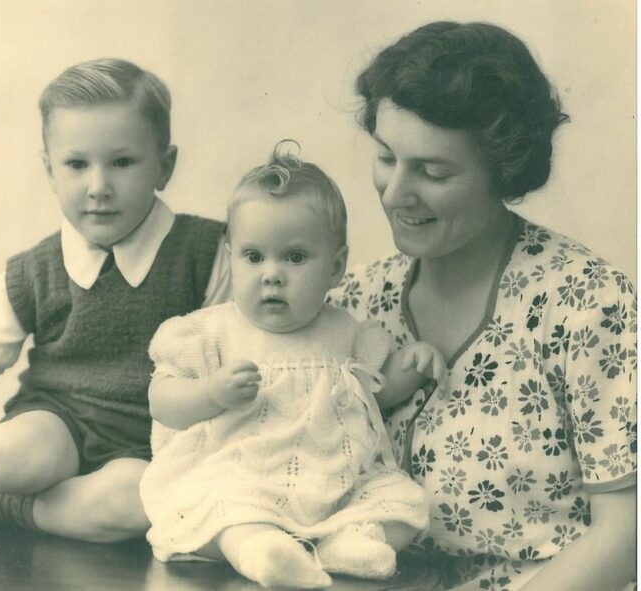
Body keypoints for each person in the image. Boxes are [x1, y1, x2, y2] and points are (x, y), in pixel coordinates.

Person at [327, 21, 637, 591]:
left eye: (433, 171)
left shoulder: (588, 305)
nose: (395, 193)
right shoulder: (350, 305)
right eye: (386, 157)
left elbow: (627, 538)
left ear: (502, 171)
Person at [0, 58, 230, 543]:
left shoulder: (208, 252)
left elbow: (239, 352)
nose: (98, 187)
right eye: (77, 164)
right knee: (16, 453)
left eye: (122, 162)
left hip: (152, 443)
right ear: (50, 171)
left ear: (164, 166)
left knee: (139, 505)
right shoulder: (35, 270)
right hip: (55, 420)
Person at [139, 141, 442, 589]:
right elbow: (161, 400)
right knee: (226, 512)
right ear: (231, 256)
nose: (272, 274)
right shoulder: (212, 332)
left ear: (336, 267)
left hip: (333, 485)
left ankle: (346, 545)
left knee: (403, 506)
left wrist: (410, 366)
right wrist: (209, 394)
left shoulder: (347, 333)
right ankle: (261, 553)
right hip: (240, 477)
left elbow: (377, 393)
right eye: (254, 256)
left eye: (295, 257)